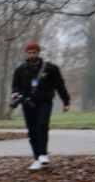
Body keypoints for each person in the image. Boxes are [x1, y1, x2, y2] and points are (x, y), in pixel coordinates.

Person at [9, 41, 71, 171]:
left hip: (44, 101)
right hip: (27, 102)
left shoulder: (50, 68)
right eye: (29, 53)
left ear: (39, 52)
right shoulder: (21, 69)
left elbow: (60, 85)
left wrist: (66, 101)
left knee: (42, 125)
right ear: (26, 53)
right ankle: (37, 158)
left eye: (34, 52)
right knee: (32, 131)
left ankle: (43, 154)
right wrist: (15, 93)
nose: (32, 55)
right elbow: (15, 85)